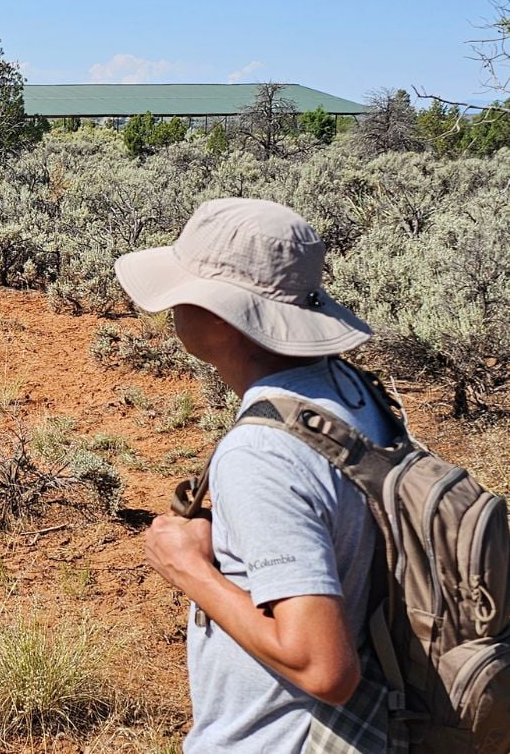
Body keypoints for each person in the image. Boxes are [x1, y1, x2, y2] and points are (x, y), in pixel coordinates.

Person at [116, 198, 394, 753]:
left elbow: (324, 669)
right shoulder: (352, 393)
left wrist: (188, 567)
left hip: (283, 738)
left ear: (224, 320)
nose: (171, 311)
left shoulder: (262, 452)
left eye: (184, 295)